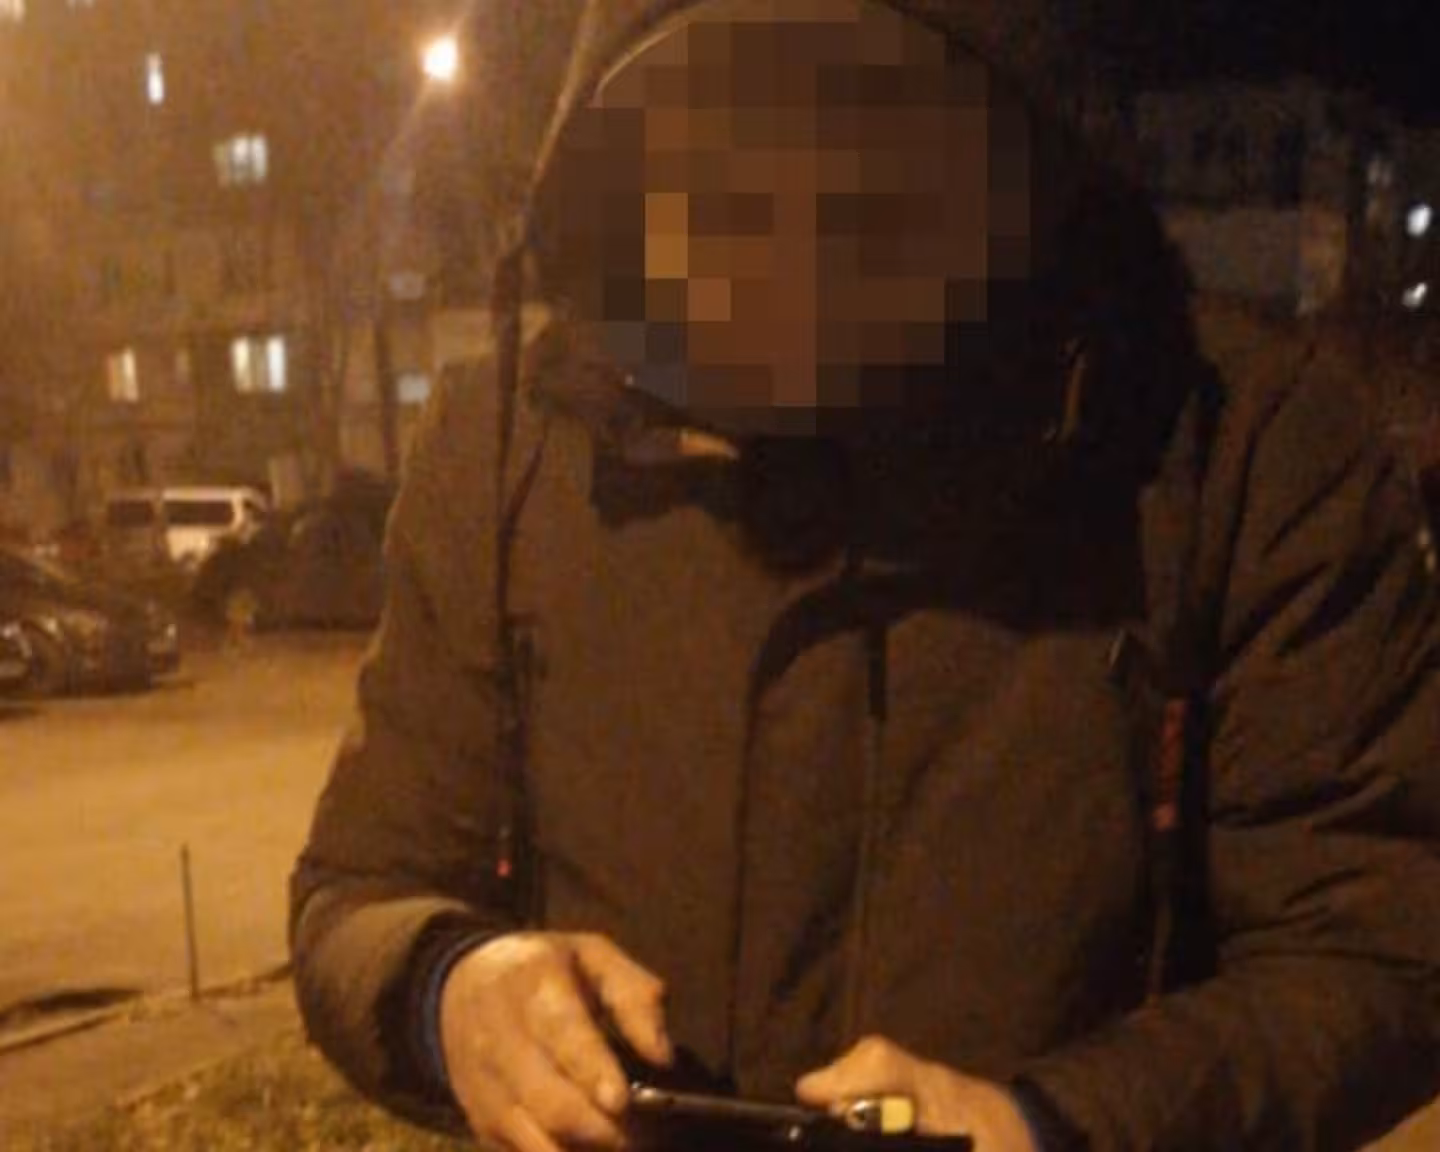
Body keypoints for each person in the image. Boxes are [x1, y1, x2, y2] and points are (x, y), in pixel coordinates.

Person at [290, 2, 1440, 1149]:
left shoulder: (1236, 443)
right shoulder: (509, 443)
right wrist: (452, 990)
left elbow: (1377, 945)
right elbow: (361, 890)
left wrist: (1056, 1127)